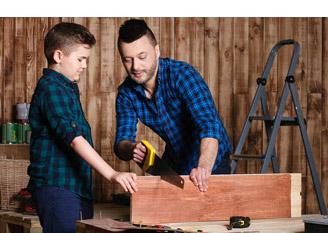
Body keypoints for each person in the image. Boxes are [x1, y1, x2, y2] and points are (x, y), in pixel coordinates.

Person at [27, 22, 137, 233]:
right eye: (81, 59)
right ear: (59, 56)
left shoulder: (68, 89)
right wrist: (113, 174)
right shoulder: (51, 89)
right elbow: (74, 138)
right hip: (58, 187)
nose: (85, 65)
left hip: (77, 188)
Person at [114, 19, 232, 193]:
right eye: (128, 60)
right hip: (176, 160)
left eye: (142, 57)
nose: (135, 66)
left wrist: (204, 167)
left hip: (209, 158)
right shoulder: (126, 94)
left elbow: (210, 125)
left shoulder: (182, 75)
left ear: (156, 50)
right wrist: (131, 148)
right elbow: (121, 143)